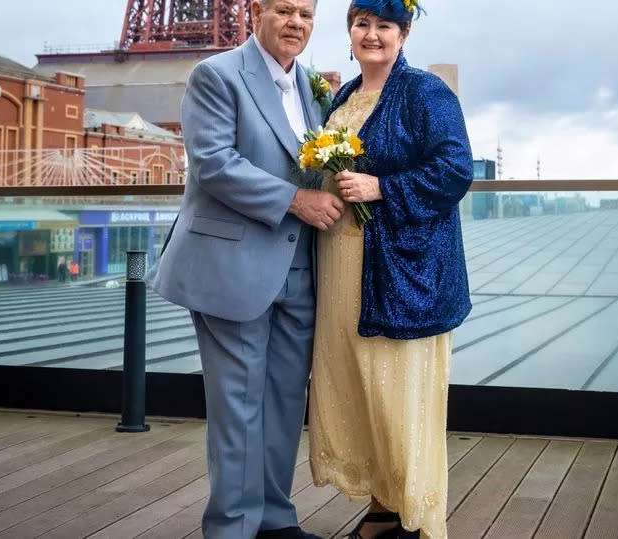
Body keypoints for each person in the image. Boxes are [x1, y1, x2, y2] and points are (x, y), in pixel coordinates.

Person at [145, 1, 343, 537]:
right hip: (231, 268)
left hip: (299, 270)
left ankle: (276, 520)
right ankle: (231, 527)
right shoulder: (216, 74)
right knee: (237, 408)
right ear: (255, 10)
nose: (296, 22)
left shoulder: (313, 88)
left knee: (282, 404)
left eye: (306, 13)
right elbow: (214, 163)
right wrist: (296, 201)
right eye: (284, 9)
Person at [307, 1, 473, 538]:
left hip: (401, 273)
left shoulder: (426, 92)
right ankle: (382, 511)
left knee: (399, 395)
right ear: (349, 31)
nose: (371, 35)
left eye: (383, 26)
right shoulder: (345, 96)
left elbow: (454, 170)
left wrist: (382, 187)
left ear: (403, 34)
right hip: (342, 269)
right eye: (361, 24)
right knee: (361, 391)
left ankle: (416, 519)